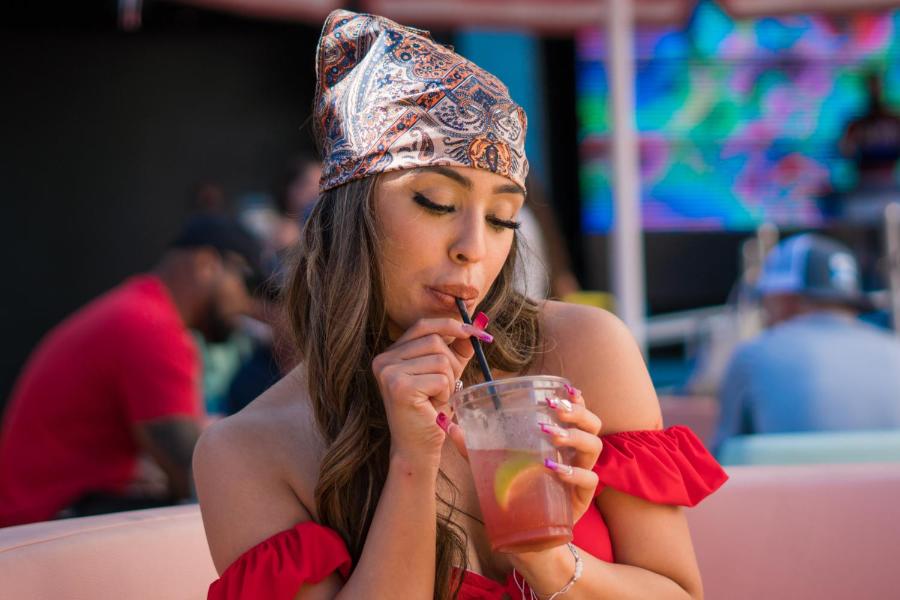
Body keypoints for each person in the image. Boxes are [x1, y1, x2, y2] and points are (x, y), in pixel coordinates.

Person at [194, 10, 727, 600]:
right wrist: (412, 462)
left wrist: (550, 558)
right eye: (436, 203)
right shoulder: (248, 450)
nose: (474, 248)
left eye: (502, 218)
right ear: (352, 218)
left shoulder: (582, 350)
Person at [0, 215, 263, 527]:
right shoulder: (151, 327)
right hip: (40, 526)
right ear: (206, 263)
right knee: (212, 517)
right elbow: (199, 481)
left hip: (43, 518)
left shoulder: (139, 310)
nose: (249, 304)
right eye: (247, 282)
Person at [712, 233, 900, 454]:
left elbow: (721, 460)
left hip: (790, 478)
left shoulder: (753, 355)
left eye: (765, 302)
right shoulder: (894, 349)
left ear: (783, 299)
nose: (764, 313)